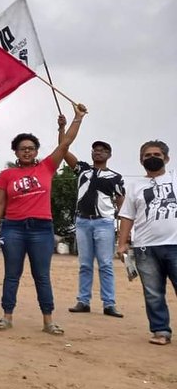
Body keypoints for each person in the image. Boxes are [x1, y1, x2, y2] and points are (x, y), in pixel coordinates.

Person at [0, 103, 88, 337]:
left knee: (42, 275)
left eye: (31, 148)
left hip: (42, 229)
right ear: (15, 152)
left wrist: (77, 118)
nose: (27, 152)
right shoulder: (7, 175)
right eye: (22, 148)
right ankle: (7, 316)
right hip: (13, 229)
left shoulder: (47, 167)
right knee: (12, 274)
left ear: (36, 151)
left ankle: (48, 320)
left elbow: (65, 144)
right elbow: (0, 203)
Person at [59, 118, 126, 318]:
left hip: (104, 222)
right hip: (82, 221)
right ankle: (83, 301)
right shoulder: (82, 169)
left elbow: (122, 202)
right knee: (85, 264)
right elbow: (62, 149)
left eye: (102, 150)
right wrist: (62, 128)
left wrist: (123, 228)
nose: (98, 152)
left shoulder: (115, 177)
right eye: (95, 149)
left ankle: (109, 303)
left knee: (105, 263)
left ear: (109, 155)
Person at [117, 140, 177, 345]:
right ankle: (161, 331)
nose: (152, 158)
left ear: (166, 158)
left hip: (175, 244)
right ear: (141, 160)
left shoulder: (175, 179)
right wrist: (122, 243)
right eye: (147, 155)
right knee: (152, 292)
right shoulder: (135, 186)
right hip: (145, 247)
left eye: (157, 155)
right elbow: (127, 217)